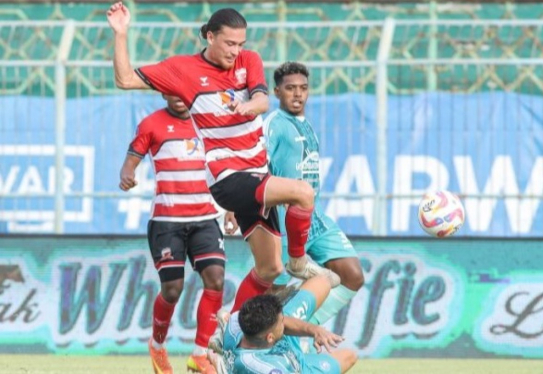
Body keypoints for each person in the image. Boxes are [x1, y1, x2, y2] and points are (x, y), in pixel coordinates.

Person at [107, 2, 338, 316]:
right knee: (302, 193)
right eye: (229, 43)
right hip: (227, 176)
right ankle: (298, 261)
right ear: (210, 37)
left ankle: (225, 330)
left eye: (240, 43)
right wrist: (121, 33)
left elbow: (261, 98)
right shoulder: (182, 70)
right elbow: (124, 79)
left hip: (257, 175)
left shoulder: (248, 60)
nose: (235, 51)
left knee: (269, 269)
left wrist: (249, 107)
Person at [226, 61, 365, 327]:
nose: (298, 94)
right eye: (290, 89)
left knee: (353, 275)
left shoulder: (306, 125)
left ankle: (296, 335)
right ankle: (230, 334)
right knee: (271, 295)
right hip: (283, 220)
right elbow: (254, 166)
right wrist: (233, 206)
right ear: (277, 92)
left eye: (303, 88)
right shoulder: (274, 125)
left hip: (314, 217)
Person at [119, 94, 225, 374]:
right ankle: (157, 345)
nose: (179, 98)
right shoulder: (151, 124)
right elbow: (131, 160)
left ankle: (200, 355)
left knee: (215, 280)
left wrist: (232, 206)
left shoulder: (208, 122)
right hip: (168, 221)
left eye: (184, 92)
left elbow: (221, 167)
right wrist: (127, 173)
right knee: (173, 289)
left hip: (205, 218)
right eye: (172, 92)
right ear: (163, 92)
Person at [208, 275, 358, 374]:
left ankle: (305, 334)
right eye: (281, 322)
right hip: (299, 368)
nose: (284, 321)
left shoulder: (238, 321)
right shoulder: (262, 367)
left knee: (322, 281)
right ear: (270, 337)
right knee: (349, 356)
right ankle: (304, 348)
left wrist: (314, 330)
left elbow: (229, 318)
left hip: (283, 342)